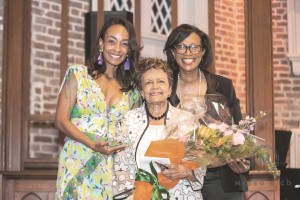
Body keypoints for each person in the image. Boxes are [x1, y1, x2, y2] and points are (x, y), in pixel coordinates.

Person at [55, 17, 141, 199]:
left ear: (129, 50)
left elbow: (133, 133)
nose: (117, 49)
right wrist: (92, 144)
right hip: (77, 162)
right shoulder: (77, 75)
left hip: (112, 170)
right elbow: (61, 120)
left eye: (124, 44)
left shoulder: (133, 91)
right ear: (101, 43)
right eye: (112, 41)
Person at [164, 24, 250, 200]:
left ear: (203, 52)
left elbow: (240, 130)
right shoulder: (164, 86)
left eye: (195, 47)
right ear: (173, 52)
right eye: (181, 46)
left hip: (221, 177)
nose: (188, 52)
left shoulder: (224, 85)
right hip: (180, 176)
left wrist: (244, 160)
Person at [113, 58, 206, 200]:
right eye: (148, 82)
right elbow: (120, 165)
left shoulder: (186, 120)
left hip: (181, 195)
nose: (155, 86)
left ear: (169, 89)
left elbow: (200, 162)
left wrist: (186, 171)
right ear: (142, 92)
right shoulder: (128, 121)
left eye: (161, 81)